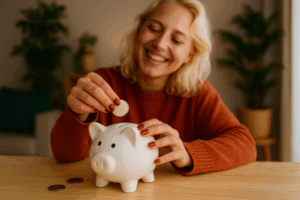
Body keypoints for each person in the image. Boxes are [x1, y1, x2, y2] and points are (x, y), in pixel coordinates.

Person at [51, 0, 257, 175]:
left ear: (190, 54)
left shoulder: (197, 92)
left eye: (176, 40)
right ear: (140, 30)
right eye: (154, 29)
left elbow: (245, 144)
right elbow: (63, 155)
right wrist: (77, 116)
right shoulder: (104, 83)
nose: (160, 44)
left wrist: (186, 153)